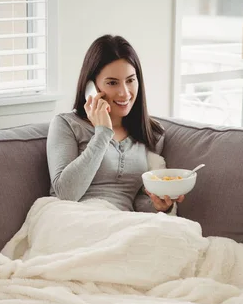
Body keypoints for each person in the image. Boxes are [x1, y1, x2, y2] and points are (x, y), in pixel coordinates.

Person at [46, 34, 186, 215]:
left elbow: (138, 203)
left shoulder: (151, 133)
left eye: (130, 80)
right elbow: (66, 193)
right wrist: (102, 133)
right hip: (74, 218)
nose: (124, 93)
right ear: (92, 86)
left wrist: (161, 207)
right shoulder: (66, 125)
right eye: (112, 83)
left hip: (122, 224)